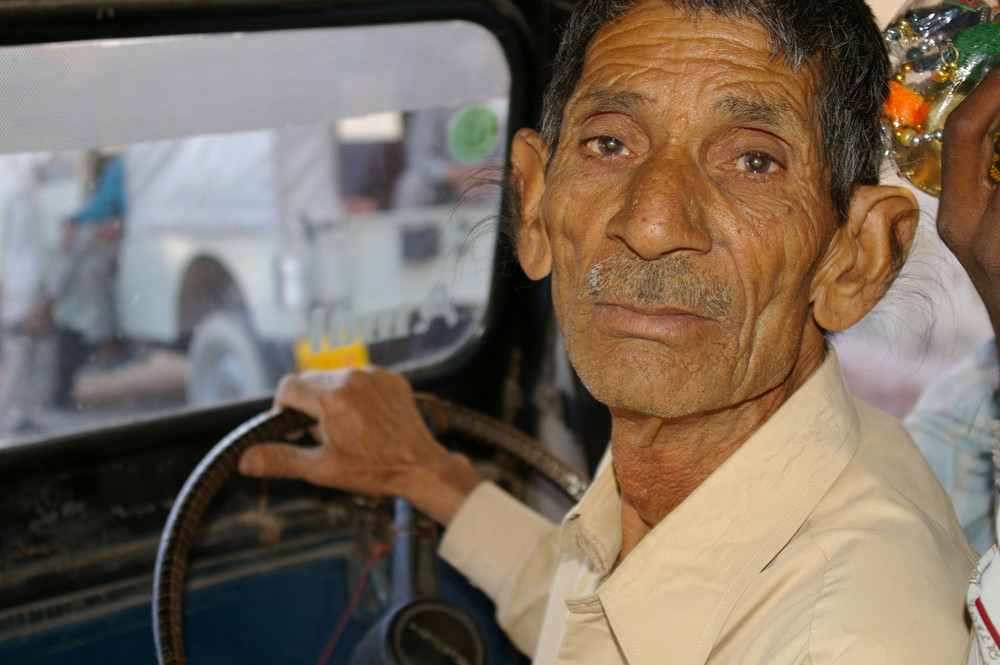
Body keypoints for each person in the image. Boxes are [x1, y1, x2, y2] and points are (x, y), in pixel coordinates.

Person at [238, 1, 979, 662]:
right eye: (609, 145)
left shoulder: (845, 642)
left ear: (855, 257)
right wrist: (428, 479)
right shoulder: (695, 429)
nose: (653, 222)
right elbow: (608, 620)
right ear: (534, 205)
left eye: (753, 161)